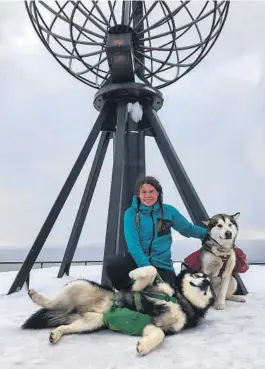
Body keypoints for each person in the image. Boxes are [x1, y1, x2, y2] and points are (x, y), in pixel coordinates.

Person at [106, 176, 208, 290]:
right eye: (143, 192)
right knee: (114, 265)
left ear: (158, 193)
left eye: (151, 191)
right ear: (138, 195)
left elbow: (188, 229)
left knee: (166, 292)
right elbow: (133, 244)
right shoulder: (131, 214)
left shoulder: (168, 212)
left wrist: (210, 234)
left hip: (162, 264)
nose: (148, 196)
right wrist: (147, 267)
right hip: (137, 262)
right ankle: (126, 294)